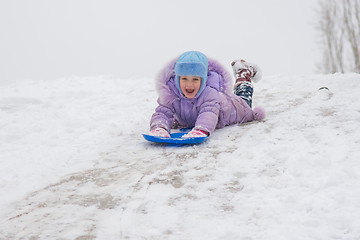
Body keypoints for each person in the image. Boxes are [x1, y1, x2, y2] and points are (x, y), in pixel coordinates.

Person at [149, 51, 265, 138]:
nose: (189, 85)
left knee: (243, 94)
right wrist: (160, 127)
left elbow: (208, 113)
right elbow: (162, 112)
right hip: (221, 103)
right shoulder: (170, 92)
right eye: (184, 79)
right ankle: (242, 74)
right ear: (177, 79)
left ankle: (244, 73)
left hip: (236, 107)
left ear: (203, 80)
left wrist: (201, 129)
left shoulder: (209, 92)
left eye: (195, 79)